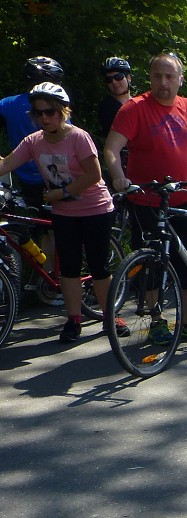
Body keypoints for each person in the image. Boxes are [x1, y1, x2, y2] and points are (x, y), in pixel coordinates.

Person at [103, 52, 187, 344]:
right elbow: (111, 148)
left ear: (180, 80)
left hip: (181, 197)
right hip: (146, 198)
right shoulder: (134, 109)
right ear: (149, 78)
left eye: (169, 76)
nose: (163, 82)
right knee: (150, 262)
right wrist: (118, 175)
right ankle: (156, 321)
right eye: (157, 76)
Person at [0, 83, 127, 343]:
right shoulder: (33, 142)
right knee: (68, 268)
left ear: (62, 111)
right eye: (38, 113)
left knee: (98, 266)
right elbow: (6, 164)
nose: (44, 118)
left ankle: (109, 316)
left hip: (95, 209)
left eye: (50, 112)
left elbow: (94, 175)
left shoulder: (78, 137)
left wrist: (63, 192)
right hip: (64, 212)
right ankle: (74, 320)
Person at [0, 56, 65, 209]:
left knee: (37, 224)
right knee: (56, 225)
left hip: (23, 176)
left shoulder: (7, 104)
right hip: (55, 177)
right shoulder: (54, 109)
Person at [98, 57, 133, 140]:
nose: (114, 82)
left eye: (118, 77)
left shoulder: (140, 104)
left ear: (128, 78)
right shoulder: (107, 107)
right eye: (108, 79)